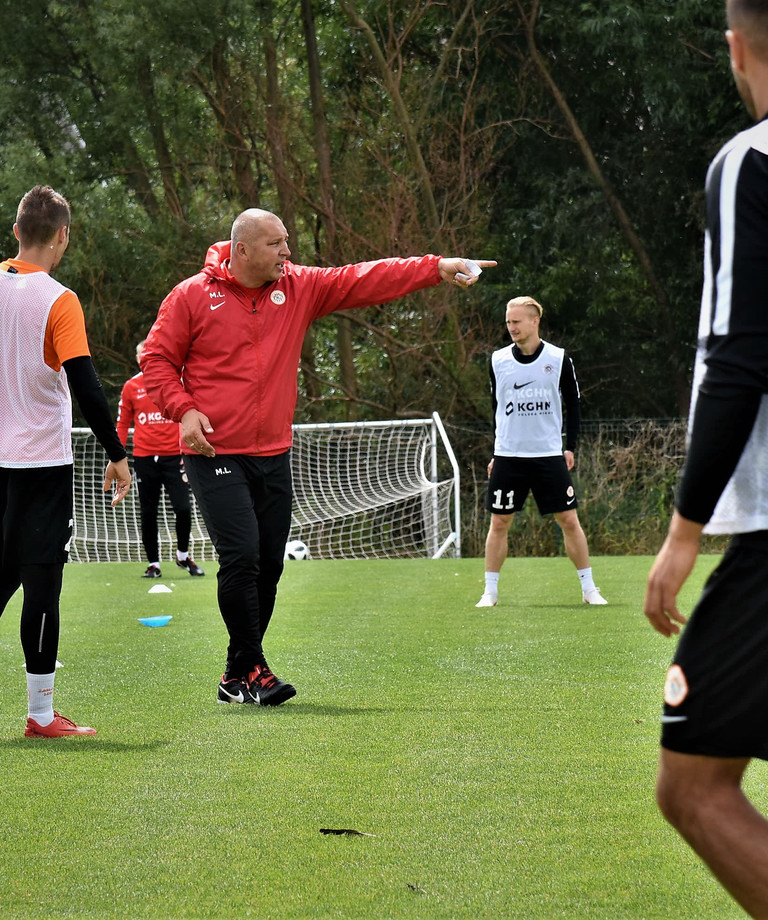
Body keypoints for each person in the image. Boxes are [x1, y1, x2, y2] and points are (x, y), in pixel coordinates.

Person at [141, 207, 495, 707]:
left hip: (274, 454)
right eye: (276, 243)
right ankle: (254, 669)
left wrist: (436, 267)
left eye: (287, 241)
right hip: (214, 451)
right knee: (240, 556)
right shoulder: (192, 295)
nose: (288, 251)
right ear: (242, 250)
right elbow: (155, 360)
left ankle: (237, 671)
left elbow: (363, 278)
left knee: (269, 565)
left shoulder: (299, 286)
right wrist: (184, 411)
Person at [643, 2, 768, 915]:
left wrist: (684, 529)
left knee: (693, 784)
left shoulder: (750, 161)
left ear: (735, 45)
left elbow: (739, 355)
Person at [0, 185, 131, 738]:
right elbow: (85, 384)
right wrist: (118, 453)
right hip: (41, 467)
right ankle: (42, 715)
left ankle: (42, 714)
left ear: (15, 232)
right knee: (42, 587)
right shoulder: (59, 299)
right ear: (63, 236)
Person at [475, 296, 607, 608]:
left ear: (535, 321)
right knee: (499, 523)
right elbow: (497, 410)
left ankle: (590, 589)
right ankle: (489, 592)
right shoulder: (497, 361)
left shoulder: (559, 359)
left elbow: (573, 405)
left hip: (548, 455)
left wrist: (570, 446)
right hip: (509, 456)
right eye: (508, 322)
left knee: (569, 520)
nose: (511, 327)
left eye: (517, 321)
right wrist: (497, 451)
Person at [117, 339, 204, 579]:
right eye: (141, 354)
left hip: (174, 456)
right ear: (137, 358)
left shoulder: (174, 383)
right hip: (145, 458)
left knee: (184, 508)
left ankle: (183, 556)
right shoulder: (131, 386)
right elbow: (123, 423)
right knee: (148, 511)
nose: (145, 357)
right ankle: (153, 564)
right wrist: (117, 455)